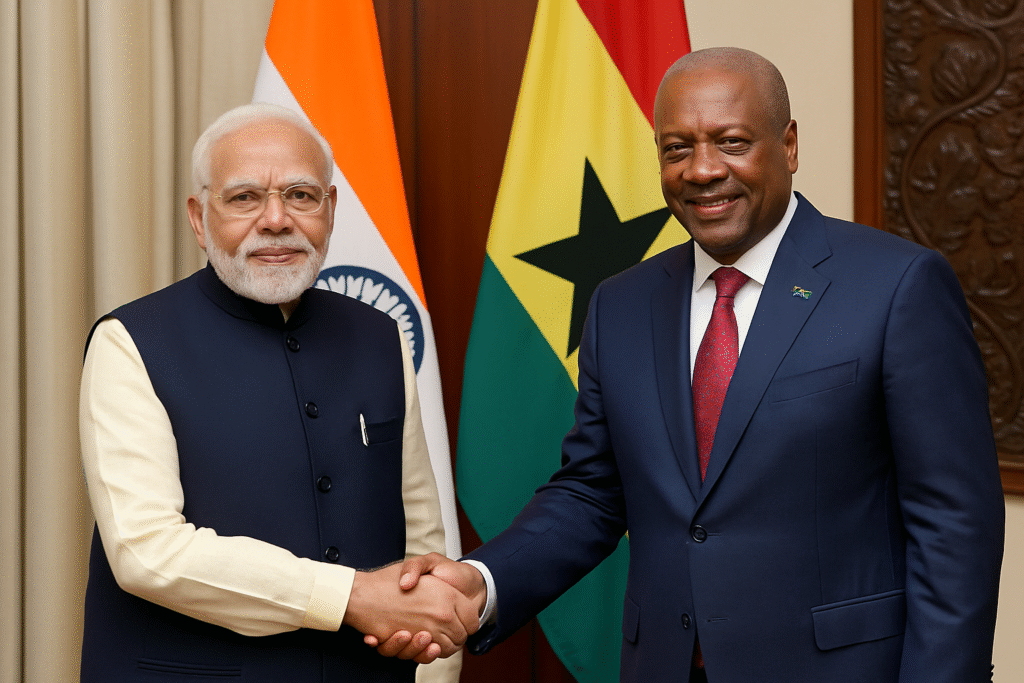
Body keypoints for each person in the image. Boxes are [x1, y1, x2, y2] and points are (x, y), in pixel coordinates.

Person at [383, 47, 1006, 682]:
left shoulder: (896, 286)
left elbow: (955, 523)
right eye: (677, 149)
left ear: (788, 146)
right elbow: (593, 491)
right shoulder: (622, 304)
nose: (702, 170)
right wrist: (481, 584)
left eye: (731, 142)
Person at [78, 103, 476, 682]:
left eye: (301, 195)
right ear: (198, 218)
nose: (276, 220)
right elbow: (147, 552)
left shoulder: (379, 337)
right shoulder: (130, 343)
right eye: (243, 198)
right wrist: (348, 596)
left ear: (331, 210)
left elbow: (422, 542)